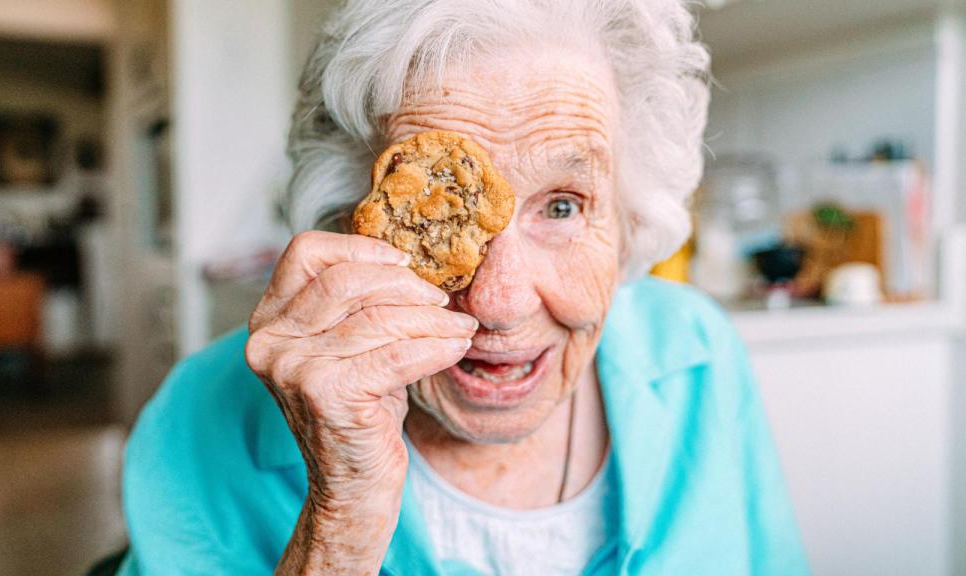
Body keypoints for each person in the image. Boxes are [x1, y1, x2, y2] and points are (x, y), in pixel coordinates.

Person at [116, 0, 809, 574]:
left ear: (631, 222)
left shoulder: (700, 358)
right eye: (425, 214)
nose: (499, 303)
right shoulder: (198, 418)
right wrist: (342, 518)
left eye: (562, 206)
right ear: (343, 222)